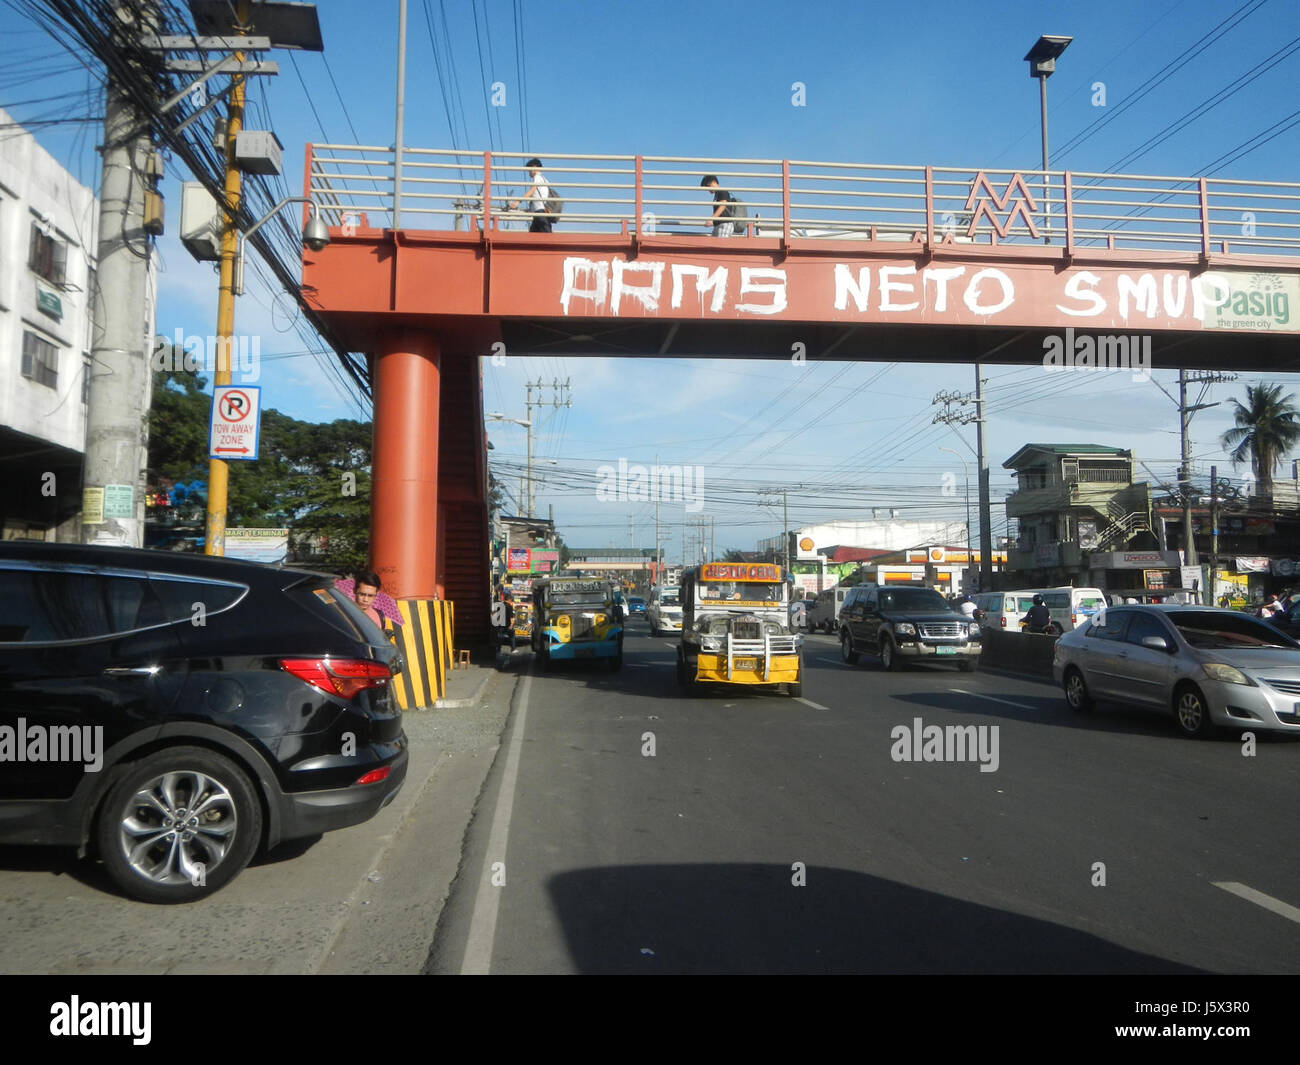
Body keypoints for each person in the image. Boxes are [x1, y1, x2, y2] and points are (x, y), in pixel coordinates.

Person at [506, 158, 552, 233]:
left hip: (540, 211)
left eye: (529, 170)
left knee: (546, 236)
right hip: (541, 211)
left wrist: (517, 202)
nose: (529, 172)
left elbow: (531, 191)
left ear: (534, 167)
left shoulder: (537, 177)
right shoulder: (544, 179)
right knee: (534, 235)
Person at [353, 571, 397, 636]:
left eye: (370, 596)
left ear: (376, 594)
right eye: (362, 594)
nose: (365, 599)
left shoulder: (379, 616)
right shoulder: (343, 613)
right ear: (354, 591)